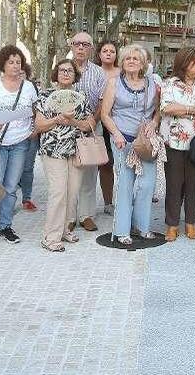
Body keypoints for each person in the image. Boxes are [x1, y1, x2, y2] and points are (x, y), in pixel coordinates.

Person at [0, 45, 38, 251]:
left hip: (20, 142)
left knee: (11, 187)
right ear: (2, 63)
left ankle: (5, 227)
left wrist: (32, 130)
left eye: (18, 62)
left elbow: (34, 111)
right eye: (11, 61)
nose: (15, 65)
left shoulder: (28, 87)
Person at [100, 45, 161, 245]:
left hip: (144, 141)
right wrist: (116, 134)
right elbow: (105, 114)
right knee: (125, 184)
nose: (132, 61)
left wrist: (153, 123)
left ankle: (141, 226)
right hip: (122, 139)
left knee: (146, 184)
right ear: (122, 63)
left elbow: (159, 111)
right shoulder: (113, 83)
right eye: (128, 58)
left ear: (143, 63)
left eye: (136, 58)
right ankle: (121, 230)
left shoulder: (153, 83)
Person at [35, 59, 94, 251]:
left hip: (75, 150)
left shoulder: (81, 96)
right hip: (53, 149)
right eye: (62, 70)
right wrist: (57, 120)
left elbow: (89, 124)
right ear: (56, 73)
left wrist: (73, 122)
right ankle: (50, 237)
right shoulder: (45, 95)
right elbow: (40, 125)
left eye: (69, 70)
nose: (66, 73)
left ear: (75, 75)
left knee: (72, 192)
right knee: (58, 192)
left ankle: (65, 230)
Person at [159, 46, 195, 242]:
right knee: (174, 185)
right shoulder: (170, 84)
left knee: (193, 184)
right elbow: (167, 107)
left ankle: (191, 223)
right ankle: (172, 225)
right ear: (185, 63)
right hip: (173, 142)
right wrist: (193, 109)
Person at [69, 32, 107, 232]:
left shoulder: (99, 72)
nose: (81, 47)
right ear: (72, 46)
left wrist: (92, 120)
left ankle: (87, 215)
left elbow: (103, 100)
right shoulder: (63, 68)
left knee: (90, 173)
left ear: (91, 48)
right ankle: (69, 216)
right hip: (66, 127)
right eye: (77, 44)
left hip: (92, 125)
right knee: (69, 172)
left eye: (85, 44)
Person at [95, 40, 120, 215]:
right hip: (98, 124)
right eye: (105, 50)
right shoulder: (95, 73)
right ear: (99, 54)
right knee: (104, 164)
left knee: (119, 164)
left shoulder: (122, 72)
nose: (109, 53)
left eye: (112, 51)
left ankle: (125, 199)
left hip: (119, 123)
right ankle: (107, 202)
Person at [19, 61, 41, 211]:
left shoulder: (31, 90)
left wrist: (35, 131)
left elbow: (38, 112)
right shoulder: (4, 90)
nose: (19, 76)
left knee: (27, 168)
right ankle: (4, 197)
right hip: (11, 136)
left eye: (22, 73)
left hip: (30, 134)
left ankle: (26, 198)